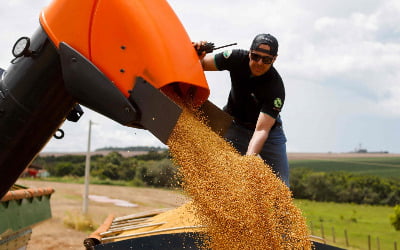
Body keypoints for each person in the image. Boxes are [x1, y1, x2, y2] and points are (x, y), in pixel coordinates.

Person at [194, 33, 289, 186]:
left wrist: (249, 160)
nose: (259, 62)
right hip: (235, 125)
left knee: (282, 186)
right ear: (249, 52)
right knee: (219, 176)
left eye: (266, 59)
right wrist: (197, 53)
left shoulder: (275, 88)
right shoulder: (235, 58)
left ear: (274, 59)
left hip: (269, 133)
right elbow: (202, 64)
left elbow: (261, 131)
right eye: (255, 56)